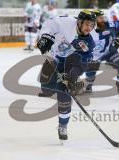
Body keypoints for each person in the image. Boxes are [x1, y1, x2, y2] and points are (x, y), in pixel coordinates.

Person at [37, 10, 99, 142]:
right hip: (53, 57)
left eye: (92, 24)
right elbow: (49, 24)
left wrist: (71, 76)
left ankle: (63, 125)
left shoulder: (90, 41)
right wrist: (45, 37)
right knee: (46, 88)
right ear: (79, 22)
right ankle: (55, 86)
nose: (89, 27)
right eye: (87, 24)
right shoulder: (66, 22)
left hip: (69, 63)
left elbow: (84, 63)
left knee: (64, 93)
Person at [83, 9, 119, 97]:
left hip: (109, 51)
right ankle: (88, 86)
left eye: (103, 17)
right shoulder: (85, 30)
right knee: (90, 72)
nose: (103, 19)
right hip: (93, 55)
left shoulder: (109, 24)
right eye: (100, 17)